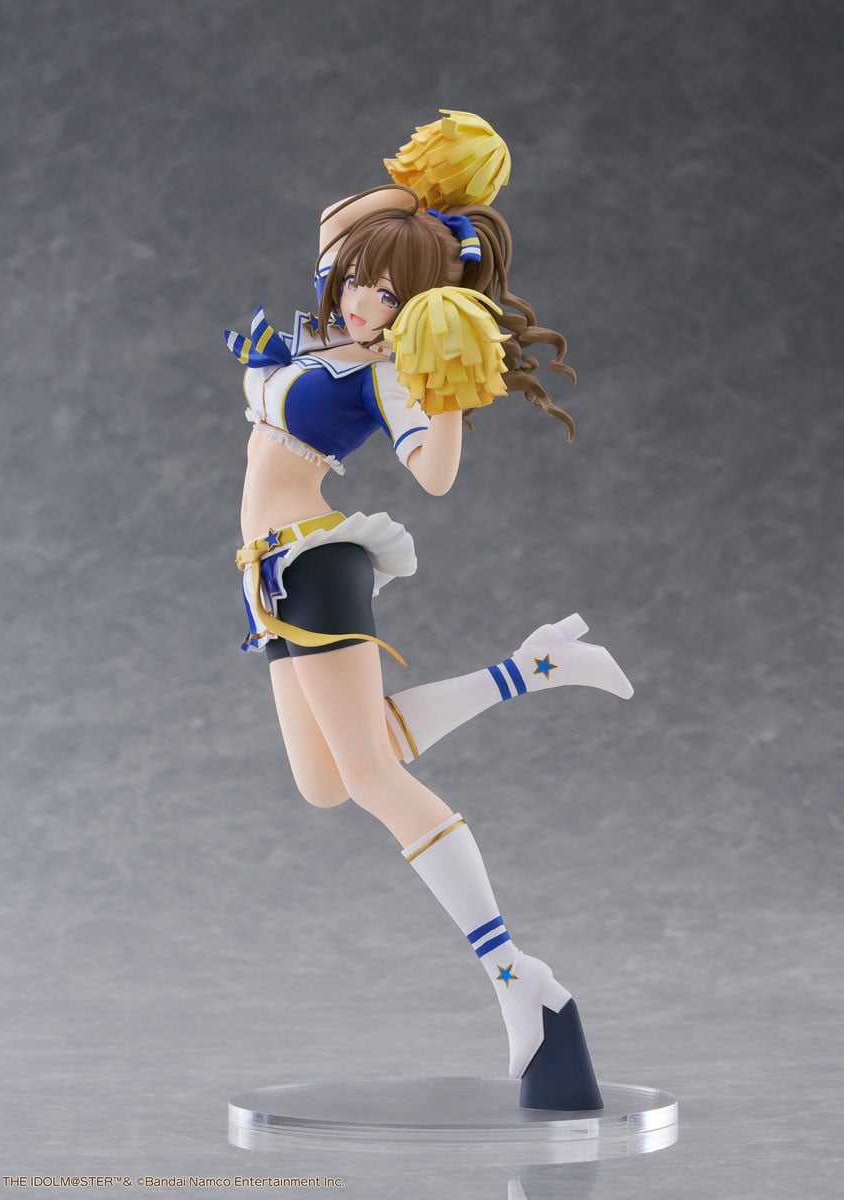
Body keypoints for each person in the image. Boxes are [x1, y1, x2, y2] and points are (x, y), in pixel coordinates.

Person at [225, 111, 633, 1110]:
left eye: (389, 295)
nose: (364, 301)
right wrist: (430, 199)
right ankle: (533, 668)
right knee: (327, 780)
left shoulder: (389, 375)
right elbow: (345, 215)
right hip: (264, 573)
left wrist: (443, 363)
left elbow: (435, 475)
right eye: (361, 282)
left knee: (370, 776)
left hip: (315, 563)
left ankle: (515, 980)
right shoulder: (331, 331)